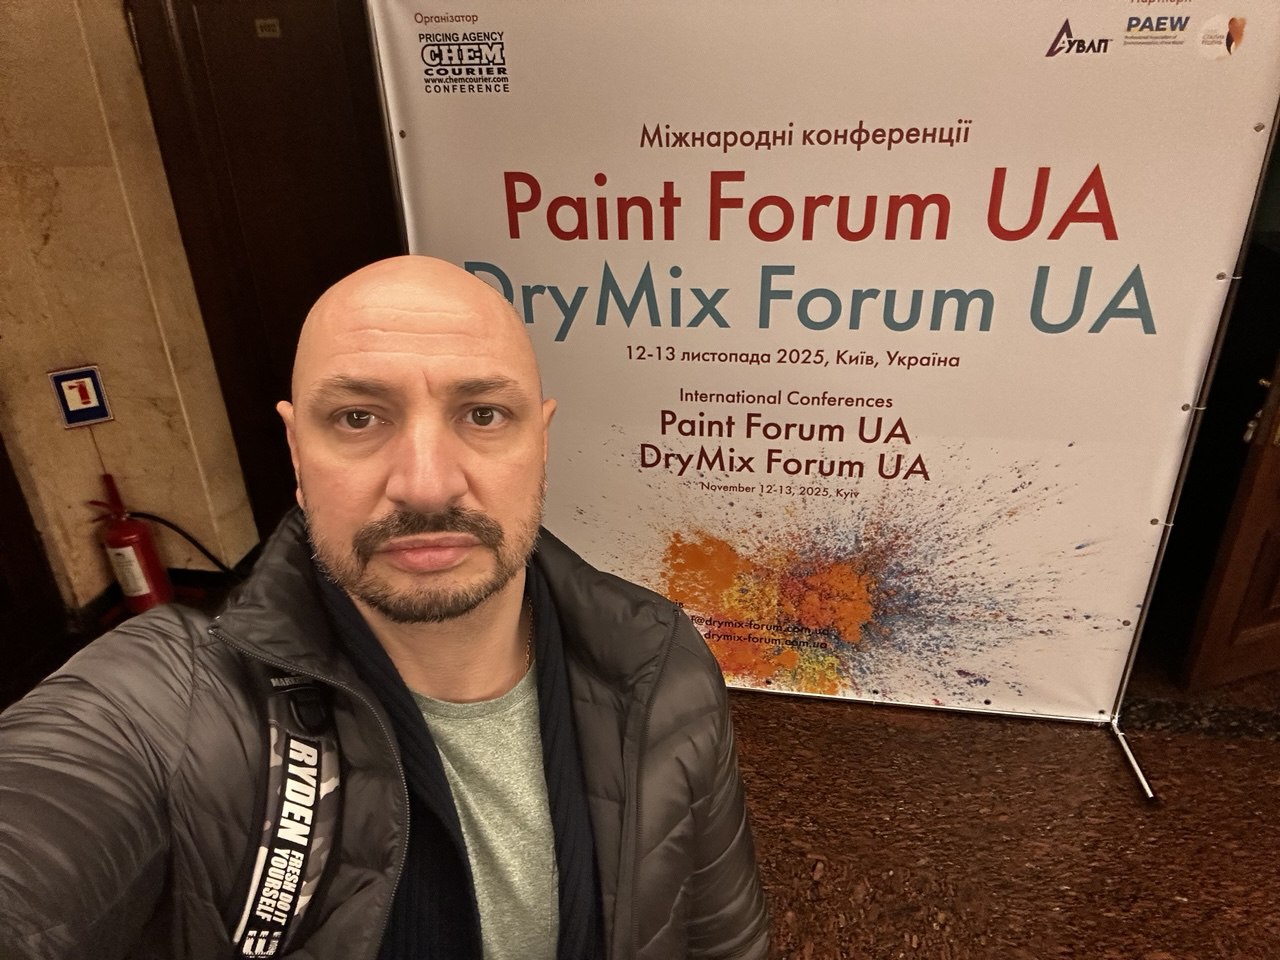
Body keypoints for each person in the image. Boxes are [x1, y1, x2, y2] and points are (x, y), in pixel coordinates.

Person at [0, 256, 769, 960]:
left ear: (541, 444)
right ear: (297, 454)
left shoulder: (658, 663)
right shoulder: (166, 704)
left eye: (483, 414)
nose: (427, 484)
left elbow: (722, 942)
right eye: (359, 418)